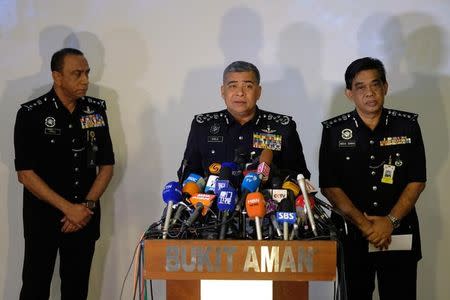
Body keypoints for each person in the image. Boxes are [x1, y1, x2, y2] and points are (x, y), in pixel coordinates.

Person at [319, 57, 426, 300]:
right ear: (349, 93)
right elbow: (330, 187)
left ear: (385, 87)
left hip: (399, 232)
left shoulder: (406, 126)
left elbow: (417, 180)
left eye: (375, 85)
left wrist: (390, 221)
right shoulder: (334, 131)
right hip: (351, 236)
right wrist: (366, 226)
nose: (370, 93)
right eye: (361, 87)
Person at [14, 48, 115, 300]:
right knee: (35, 286)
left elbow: (106, 165)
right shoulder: (31, 114)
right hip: (43, 218)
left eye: (87, 73)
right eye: (77, 74)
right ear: (57, 77)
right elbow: (25, 174)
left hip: (84, 216)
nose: (85, 80)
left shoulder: (95, 111)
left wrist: (85, 206)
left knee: (77, 289)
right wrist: (68, 209)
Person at [178, 60, 310, 182]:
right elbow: (188, 174)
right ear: (223, 91)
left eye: (248, 86)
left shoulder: (282, 127)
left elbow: (299, 177)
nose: (240, 93)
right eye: (233, 86)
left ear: (258, 92)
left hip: (266, 205)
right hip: (212, 205)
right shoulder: (203, 126)